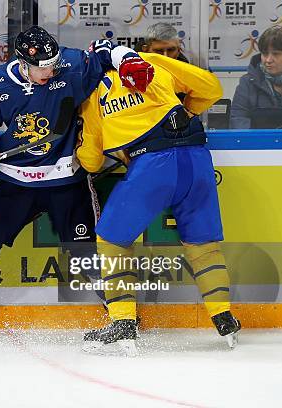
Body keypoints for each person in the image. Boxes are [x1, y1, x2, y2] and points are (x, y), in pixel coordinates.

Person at [0, 25, 155, 334]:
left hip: (65, 180)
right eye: (41, 67)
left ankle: (122, 317)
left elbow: (105, 50)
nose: (48, 71)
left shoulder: (70, 66)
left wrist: (129, 60)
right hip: (15, 182)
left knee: (87, 253)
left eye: (51, 64)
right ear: (22, 63)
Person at [77, 52, 241, 356]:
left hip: (151, 165)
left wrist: (85, 139)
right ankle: (224, 318)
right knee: (203, 245)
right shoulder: (151, 61)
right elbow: (211, 88)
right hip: (197, 158)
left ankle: (123, 322)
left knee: (112, 238)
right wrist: (188, 111)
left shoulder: (93, 89)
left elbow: (90, 160)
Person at [231, 25, 282, 129]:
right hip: (258, 144)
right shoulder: (247, 82)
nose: (268, 60)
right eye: (264, 53)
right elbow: (238, 120)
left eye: (276, 54)